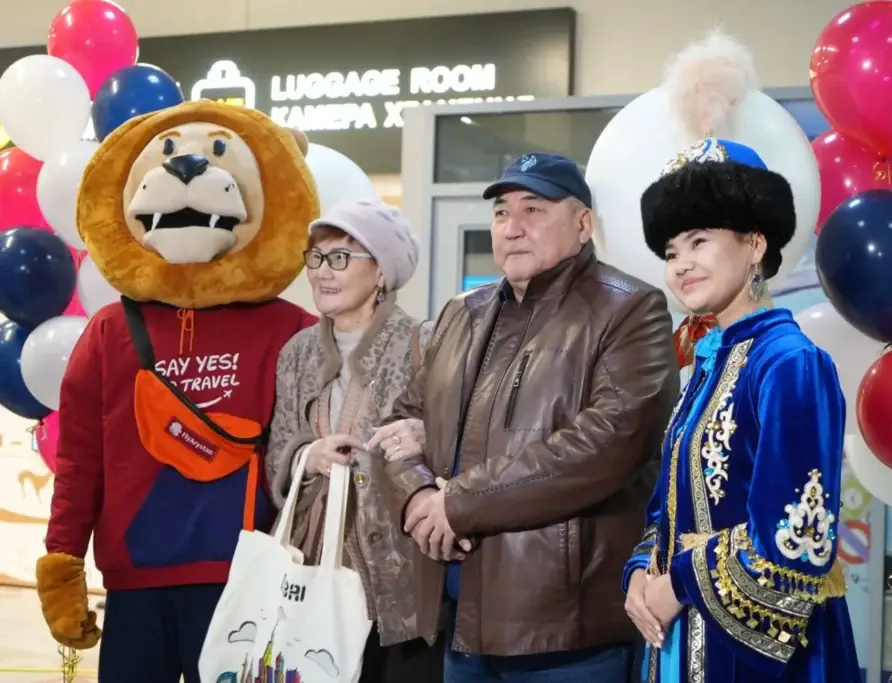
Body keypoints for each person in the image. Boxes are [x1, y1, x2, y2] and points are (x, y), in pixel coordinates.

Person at [369, 152, 679, 683]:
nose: (513, 227)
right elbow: (401, 422)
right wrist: (420, 495)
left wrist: (459, 504)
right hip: (460, 617)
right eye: (501, 213)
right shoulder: (460, 314)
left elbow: (609, 444)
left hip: (565, 626)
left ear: (582, 224)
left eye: (534, 209)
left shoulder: (629, 309)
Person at [35, 101, 319, 681]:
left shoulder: (293, 330)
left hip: (250, 583)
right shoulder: (113, 329)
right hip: (136, 581)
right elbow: (80, 457)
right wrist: (63, 558)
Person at [622, 137, 860, 683]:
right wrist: (639, 573)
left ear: (754, 244)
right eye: (671, 252)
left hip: (762, 657)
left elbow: (795, 537)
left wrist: (678, 582)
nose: (681, 265)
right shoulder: (706, 366)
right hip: (681, 635)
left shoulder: (790, 362)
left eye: (699, 241)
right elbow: (667, 508)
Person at [265, 199, 442, 683]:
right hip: (309, 569)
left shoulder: (426, 343)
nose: (323, 272)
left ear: (382, 271)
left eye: (340, 258)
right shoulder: (297, 351)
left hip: (397, 572)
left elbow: (452, 449)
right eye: (316, 258)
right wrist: (307, 455)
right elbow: (277, 449)